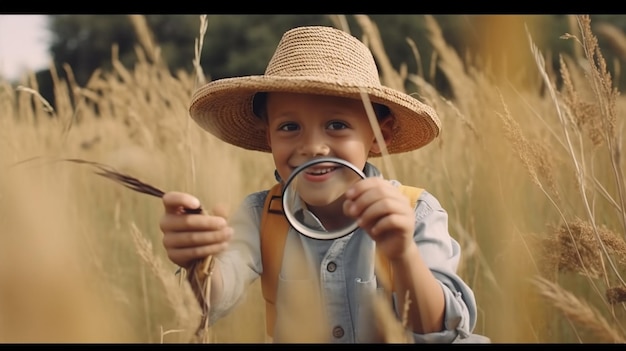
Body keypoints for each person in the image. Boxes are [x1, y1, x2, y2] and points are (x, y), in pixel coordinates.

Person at [159, 25, 489, 343]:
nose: (313, 147)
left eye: (336, 125)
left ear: (378, 135)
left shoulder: (415, 212)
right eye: (289, 127)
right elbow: (211, 300)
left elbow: (439, 331)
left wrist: (402, 253)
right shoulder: (260, 215)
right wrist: (197, 263)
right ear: (268, 136)